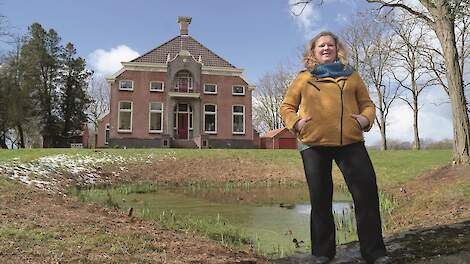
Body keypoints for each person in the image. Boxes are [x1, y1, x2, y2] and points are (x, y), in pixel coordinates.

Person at [280, 31, 391, 264]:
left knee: (367, 195)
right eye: (321, 45)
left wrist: (364, 120)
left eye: (330, 45)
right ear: (313, 51)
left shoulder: (352, 76)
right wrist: (296, 123)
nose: (326, 48)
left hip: (350, 143)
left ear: (337, 49)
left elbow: (367, 104)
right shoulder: (303, 78)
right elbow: (287, 106)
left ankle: (374, 252)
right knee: (320, 199)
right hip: (313, 145)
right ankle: (322, 253)